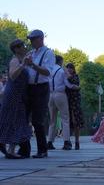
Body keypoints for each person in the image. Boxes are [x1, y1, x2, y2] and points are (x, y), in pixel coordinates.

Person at [18, 29, 55, 158]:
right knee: (23, 118)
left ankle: (42, 150)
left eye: (33, 39)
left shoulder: (48, 53)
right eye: (30, 39)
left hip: (41, 88)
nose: (31, 42)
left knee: (37, 120)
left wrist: (32, 64)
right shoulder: (31, 53)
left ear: (41, 39)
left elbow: (48, 72)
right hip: (29, 88)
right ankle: (24, 149)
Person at [0, 39, 32, 158]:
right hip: (13, 94)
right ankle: (11, 150)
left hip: (18, 94)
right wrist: (23, 64)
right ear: (16, 49)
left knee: (14, 120)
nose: (24, 47)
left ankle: (8, 147)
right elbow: (13, 76)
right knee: (14, 121)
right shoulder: (15, 60)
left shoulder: (22, 60)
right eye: (22, 46)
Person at [47, 55, 79, 151]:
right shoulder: (61, 71)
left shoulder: (49, 70)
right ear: (60, 62)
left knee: (52, 120)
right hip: (60, 95)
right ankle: (66, 142)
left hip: (50, 95)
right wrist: (77, 87)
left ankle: (50, 142)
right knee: (65, 119)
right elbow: (68, 85)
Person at [65, 63, 84, 150]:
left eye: (70, 68)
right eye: (67, 68)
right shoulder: (64, 77)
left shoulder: (75, 76)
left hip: (75, 102)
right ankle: (67, 142)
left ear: (73, 69)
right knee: (67, 122)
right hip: (67, 101)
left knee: (76, 121)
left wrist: (66, 73)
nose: (69, 69)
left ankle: (77, 141)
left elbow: (73, 82)